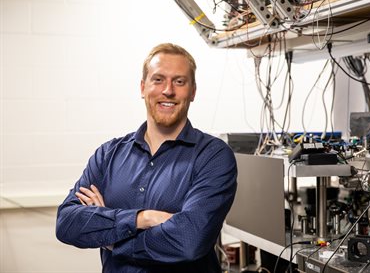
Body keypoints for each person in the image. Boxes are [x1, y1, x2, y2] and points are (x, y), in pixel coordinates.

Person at [56, 43, 238, 273]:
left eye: (179, 81)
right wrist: (144, 218)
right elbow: (67, 224)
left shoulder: (213, 156)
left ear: (193, 91)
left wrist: (110, 238)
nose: (168, 90)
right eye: (158, 79)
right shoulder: (108, 155)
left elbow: (189, 241)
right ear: (143, 87)